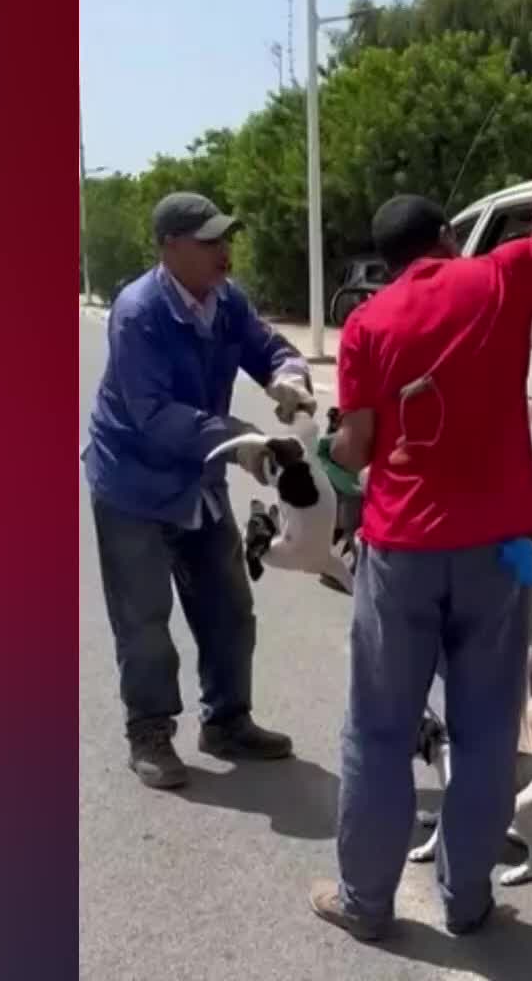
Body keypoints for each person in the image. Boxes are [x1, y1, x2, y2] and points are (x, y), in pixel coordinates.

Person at [308, 192, 532, 939]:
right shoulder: (498, 277)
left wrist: (335, 449)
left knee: (379, 731)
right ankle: (467, 901)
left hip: (401, 553)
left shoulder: (365, 325)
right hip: (494, 552)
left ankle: (365, 903)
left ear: (385, 263)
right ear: (448, 238)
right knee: (485, 731)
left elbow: (354, 448)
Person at [84, 191, 319, 790]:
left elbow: (266, 346)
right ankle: (151, 732)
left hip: (198, 479)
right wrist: (238, 439)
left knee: (229, 608)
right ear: (169, 248)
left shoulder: (225, 300)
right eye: (210, 241)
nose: (224, 251)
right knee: (144, 620)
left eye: (225, 238)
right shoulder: (140, 313)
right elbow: (152, 412)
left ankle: (228, 721)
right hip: (134, 485)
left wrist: (288, 376)